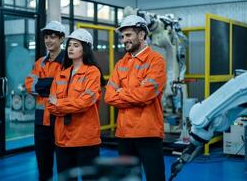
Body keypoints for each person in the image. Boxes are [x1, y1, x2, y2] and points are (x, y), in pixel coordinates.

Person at [104, 15, 167, 181]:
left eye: (128, 35)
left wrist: (121, 92)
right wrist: (132, 93)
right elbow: (109, 97)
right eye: (123, 36)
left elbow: (145, 95)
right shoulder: (120, 64)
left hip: (148, 132)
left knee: (155, 178)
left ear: (141, 35)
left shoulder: (156, 61)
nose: (124, 40)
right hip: (124, 133)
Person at [46, 28, 106, 175]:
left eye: (76, 45)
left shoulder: (92, 72)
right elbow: (50, 105)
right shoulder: (61, 74)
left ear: (85, 49)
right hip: (62, 139)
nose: (71, 48)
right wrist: (67, 104)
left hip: (85, 139)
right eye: (70, 45)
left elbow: (85, 102)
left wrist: (59, 103)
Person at [24, 21, 65, 181]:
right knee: (43, 165)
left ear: (61, 39)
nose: (48, 40)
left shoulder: (67, 62)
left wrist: (44, 84)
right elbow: (30, 85)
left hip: (61, 118)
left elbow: (65, 88)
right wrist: (50, 84)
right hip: (41, 120)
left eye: (53, 37)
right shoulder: (40, 62)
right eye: (46, 37)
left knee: (64, 164)